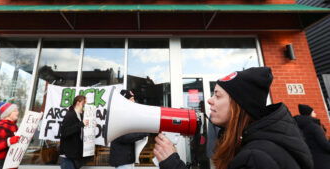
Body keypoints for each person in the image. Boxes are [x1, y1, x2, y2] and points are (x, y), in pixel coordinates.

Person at [154, 67, 314, 169]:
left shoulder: (255, 158)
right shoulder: (258, 144)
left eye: (217, 95)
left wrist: (172, 165)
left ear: (238, 104)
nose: (210, 100)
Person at [109, 90, 148, 169]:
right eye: (132, 98)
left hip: (126, 159)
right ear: (125, 100)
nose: (134, 101)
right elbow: (124, 137)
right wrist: (143, 133)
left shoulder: (124, 114)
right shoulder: (118, 115)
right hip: (122, 161)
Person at [294, 104, 330, 169]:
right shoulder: (314, 127)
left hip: (310, 160)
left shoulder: (299, 126)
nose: (315, 113)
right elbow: (325, 144)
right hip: (323, 160)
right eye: (313, 112)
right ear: (309, 113)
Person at [59, 95, 89, 169]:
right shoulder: (70, 115)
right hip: (68, 157)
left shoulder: (80, 115)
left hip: (74, 155)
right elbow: (64, 132)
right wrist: (81, 124)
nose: (85, 105)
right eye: (84, 103)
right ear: (78, 103)